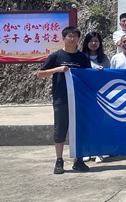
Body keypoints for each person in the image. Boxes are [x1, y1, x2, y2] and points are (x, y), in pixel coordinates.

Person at [36, 26, 92, 175]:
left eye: (75, 36)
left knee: (79, 129)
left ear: (79, 39)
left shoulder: (82, 57)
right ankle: (59, 160)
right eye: (69, 36)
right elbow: (40, 74)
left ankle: (78, 159)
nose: (72, 38)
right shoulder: (56, 56)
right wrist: (57, 69)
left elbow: (89, 76)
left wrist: (98, 70)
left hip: (79, 100)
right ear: (63, 38)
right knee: (60, 129)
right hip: (61, 98)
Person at [81, 31, 110, 163]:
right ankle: (87, 151)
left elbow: (109, 77)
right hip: (84, 96)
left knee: (99, 124)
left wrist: (101, 73)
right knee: (86, 124)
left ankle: (99, 151)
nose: (93, 43)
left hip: (100, 97)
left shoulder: (105, 59)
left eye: (96, 41)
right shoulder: (81, 57)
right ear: (86, 43)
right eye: (91, 40)